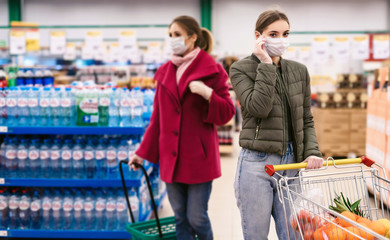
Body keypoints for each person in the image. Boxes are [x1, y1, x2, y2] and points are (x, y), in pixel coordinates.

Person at [129, 15, 235, 240]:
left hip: (198, 157)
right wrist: (141, 154)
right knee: (180, 218)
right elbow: (156, 120)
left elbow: (227, 112)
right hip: (171, 157)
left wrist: (209, 94)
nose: (172, 39)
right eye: (170, 35)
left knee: (197, 217)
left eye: (177, 34)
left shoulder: (212, 69)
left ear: (192, 37)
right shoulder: (165, 71)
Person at [230, 10, 323, 240]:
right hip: (255, 163)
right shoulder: (240, 69)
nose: (281, 39)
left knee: (294, 235)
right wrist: (265, 64)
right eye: (273, 34)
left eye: (285, 33)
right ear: (258, 36)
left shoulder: (299, 71)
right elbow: (258, 107)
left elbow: (305, 117)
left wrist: (311, 151)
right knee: (256, 235)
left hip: (291, 164)